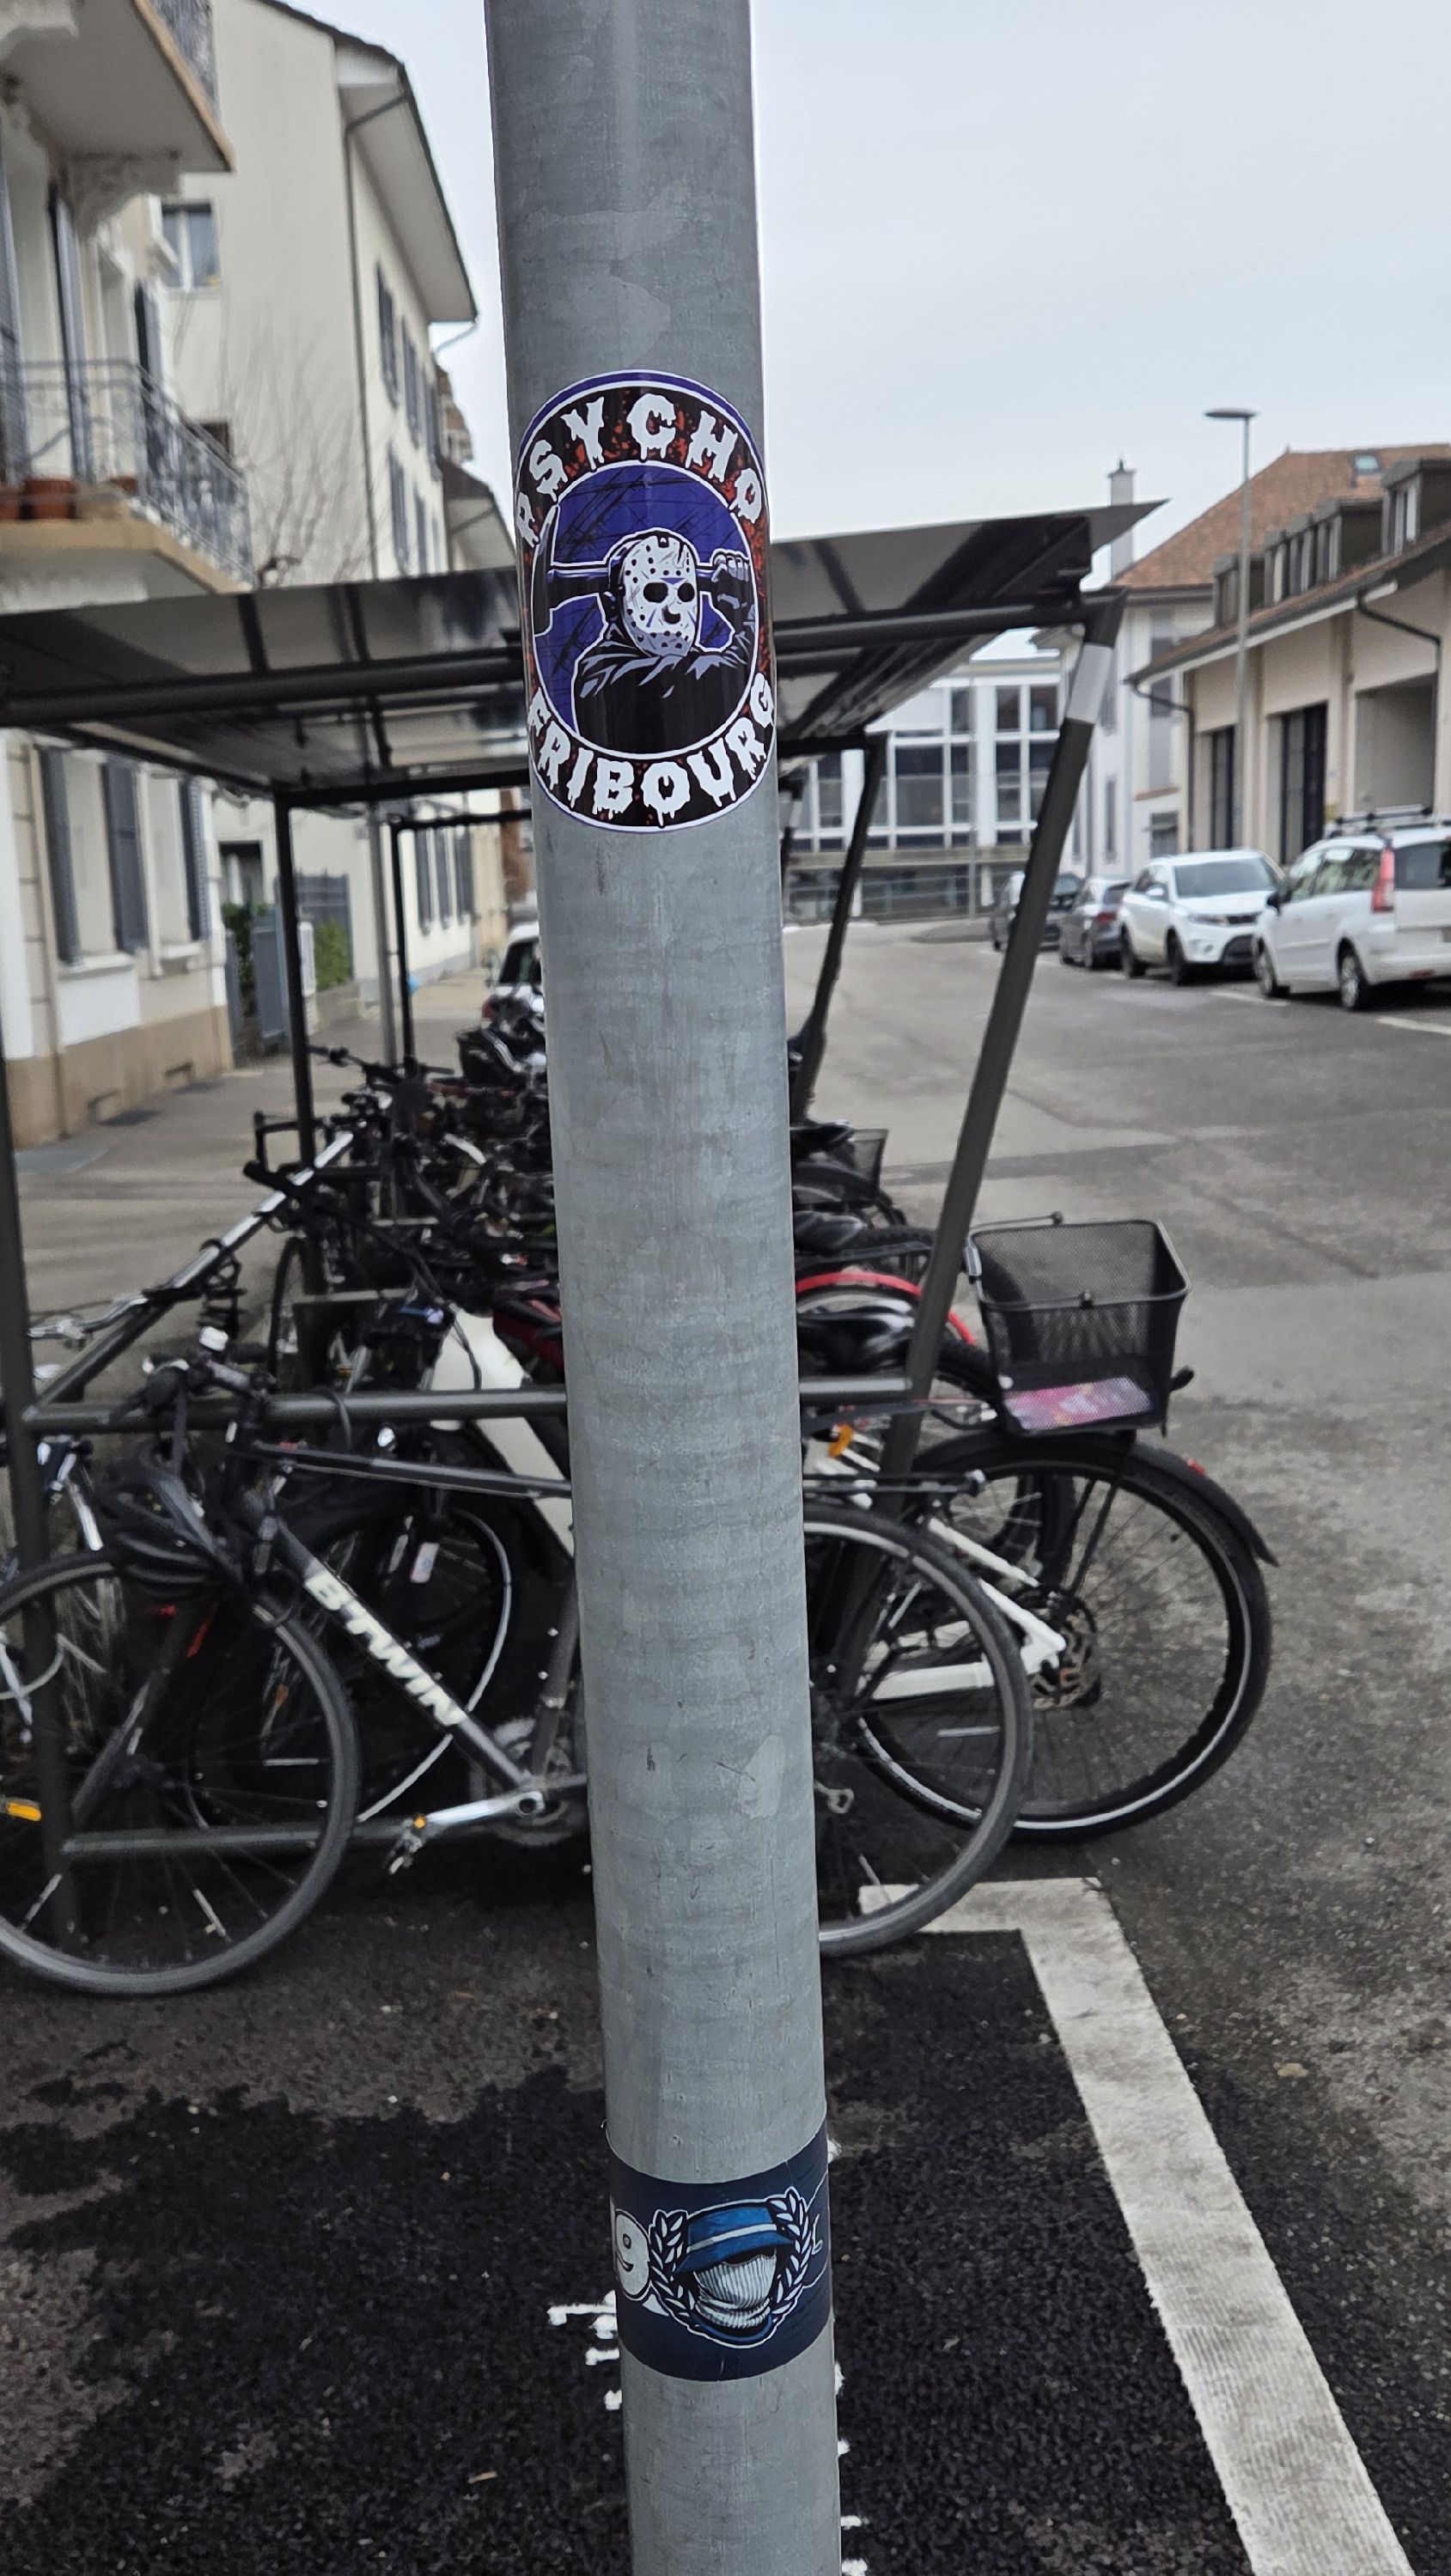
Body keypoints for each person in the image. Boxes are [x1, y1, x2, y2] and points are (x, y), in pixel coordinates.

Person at [571, 528, 754, 755]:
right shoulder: (600, 674)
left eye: (685, 594)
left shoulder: (693, 658)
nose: (674, 611)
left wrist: (744, 614)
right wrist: (747, 614)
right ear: (611, 605)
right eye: (656, 593)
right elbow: (733, 674)